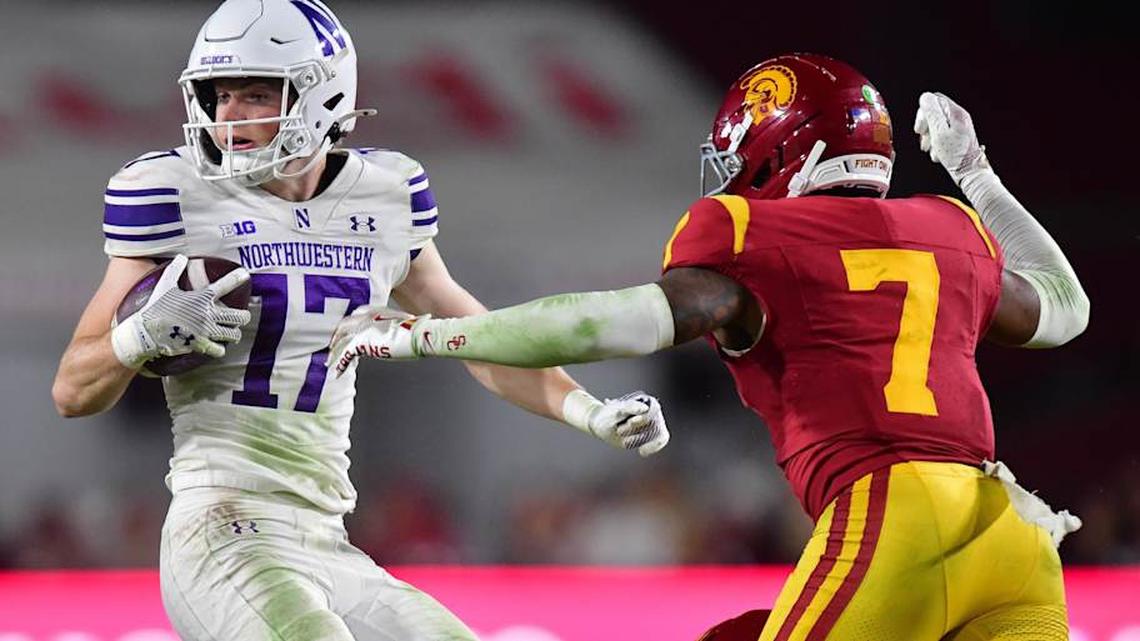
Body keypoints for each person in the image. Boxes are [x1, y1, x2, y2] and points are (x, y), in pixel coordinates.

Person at [328, 53, 1091, 640]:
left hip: (896, 512)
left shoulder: (756, 235)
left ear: (780, 150)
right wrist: (978, 174)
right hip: (1015, 534)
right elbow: (1066, 307)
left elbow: (602, 322)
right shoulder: (950, 227)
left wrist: (418, 335)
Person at [50, 1, 668, 639]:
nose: (227, 117)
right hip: (224, 526)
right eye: (218, 95)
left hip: (326, 539)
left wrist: (587, 412)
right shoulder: (170, 191)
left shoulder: (386, 193)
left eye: (255, 95)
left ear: (322, 96)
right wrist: (138, 336)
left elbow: (481, 342)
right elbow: (72, 390)